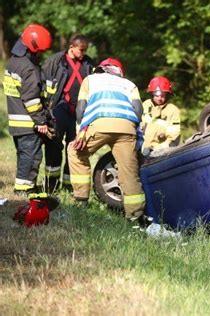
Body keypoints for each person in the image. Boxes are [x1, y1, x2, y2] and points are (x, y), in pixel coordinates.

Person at [68, 57, 146, 220]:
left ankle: (81, 200)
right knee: (128, 171)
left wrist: (80, 131)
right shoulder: (129, 84)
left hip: (100, 123)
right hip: (126, 127)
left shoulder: (90, 80)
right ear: (119, 72)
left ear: (101, 69)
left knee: (75, 152)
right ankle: (135, 216)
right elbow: (138, 110)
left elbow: (81, 108)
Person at [3, 24, 53, 194]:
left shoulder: (13, 62)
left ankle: (22, 187)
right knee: (31, 158)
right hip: (29, 122)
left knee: (24, 156)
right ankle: (24, 190)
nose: (40, 54)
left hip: (16, 122)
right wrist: (41, 121)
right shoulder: (29, 67)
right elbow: (31, 99)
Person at [42, 34, 95, 192]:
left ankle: (68, 184)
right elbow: (43, 84)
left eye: (86, 50)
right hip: (58, 108)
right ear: (72, 47)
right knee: (53, 146)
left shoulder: (89, 63)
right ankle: (51, 184)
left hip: (79, 112)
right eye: (81, 49)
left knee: (75, 148)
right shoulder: (55, 61)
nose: (84, 53)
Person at [141, 76, 181, 156]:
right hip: (141, 148)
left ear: (167, 94)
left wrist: (156, 149)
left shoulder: (172, 110)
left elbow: (174, 138)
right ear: (152, 93)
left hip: (160, 152)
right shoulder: (145, 105)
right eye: (157, 94)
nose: (159, 98)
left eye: (163, 95)